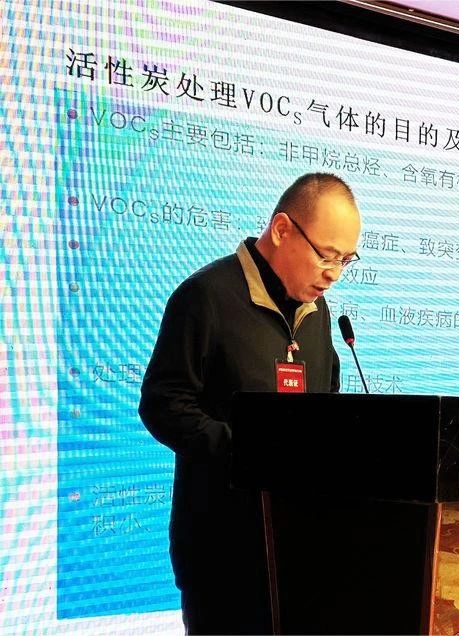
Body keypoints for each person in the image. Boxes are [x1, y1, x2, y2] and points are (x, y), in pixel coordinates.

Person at [138, 172, 362, 635]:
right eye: (326, 255)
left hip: (299, 543)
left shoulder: (317, 313)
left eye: (346, 260)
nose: (334, 273)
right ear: (281, 230)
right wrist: (247, 452)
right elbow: (163, 403)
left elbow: (327, 400)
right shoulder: (206, 297)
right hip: (222, 549)